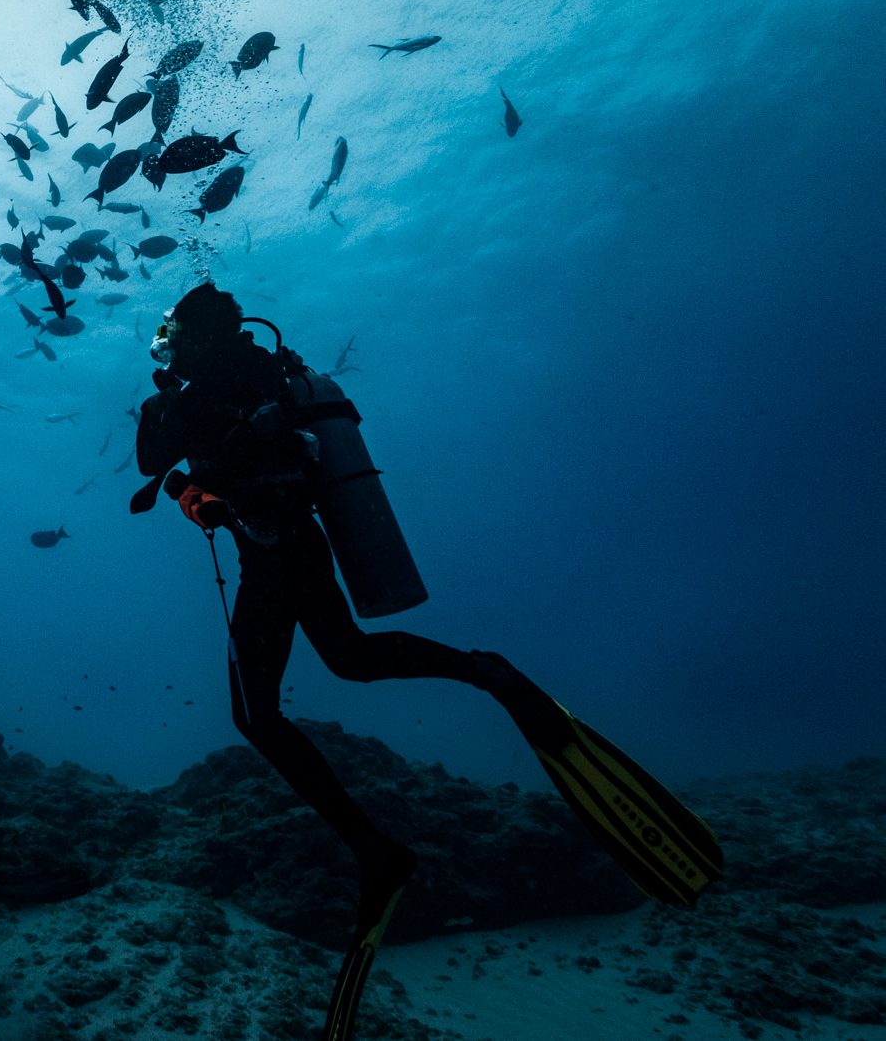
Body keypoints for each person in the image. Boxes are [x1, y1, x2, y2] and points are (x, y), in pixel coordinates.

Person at [134, 282, 720, 1041]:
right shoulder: (261, 375)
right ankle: (484, 670)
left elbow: (158, 453)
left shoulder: (198, 388)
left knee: (258, 713)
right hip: (295, 544)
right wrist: (195, 492)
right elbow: (201, 469)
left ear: (194, 335)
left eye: (172, 331)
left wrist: (168, 413)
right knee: (349, 657)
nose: (167, 343)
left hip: (273, 554)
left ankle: (376, 851)